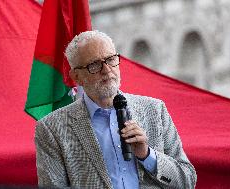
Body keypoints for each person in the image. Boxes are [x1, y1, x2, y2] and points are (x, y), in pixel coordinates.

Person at [35, 30, 197, 189]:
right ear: (76, 76)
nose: (106, 70)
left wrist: (147, 155)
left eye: (111, 59)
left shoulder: (154, 110)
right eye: (95, 65)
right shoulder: (52, 129)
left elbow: (187, 180)